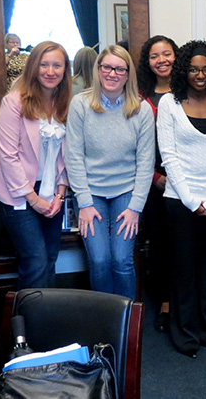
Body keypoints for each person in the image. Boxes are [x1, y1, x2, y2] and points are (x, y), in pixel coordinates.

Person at [157, 40, 206, 358]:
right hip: (180, 200)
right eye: (193, 69)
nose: (200, 75)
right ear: (183, 71)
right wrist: (192, 201)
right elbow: (168, 156)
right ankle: (185, 334)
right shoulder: (169, 104)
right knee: (184, 269)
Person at [65, 45, 155, 300]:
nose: (112, 73)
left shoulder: (141, 109)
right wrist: (83, 202)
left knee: (122, 260)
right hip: (91, 194)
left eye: (119, 69)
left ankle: (126, 325)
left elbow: (145, 162)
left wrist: (135, 207)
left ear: (128, 74)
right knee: (101, 260)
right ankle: (104, 323)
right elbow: (73, 156)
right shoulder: (80, 104)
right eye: (107, 67)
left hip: (126, 193)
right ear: (98, 69)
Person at [0, 41, 71, 289]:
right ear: (33, 67)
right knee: (35, 260)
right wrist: (34, 199)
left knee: (50, 258)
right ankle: (27, 326)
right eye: (44, 64)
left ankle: (46, 317)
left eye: (57, 65)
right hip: (17, 193)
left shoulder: (65, 104)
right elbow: (8, 156)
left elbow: (67, 154)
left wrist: (60, 194)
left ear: (65, 70)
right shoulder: (14, 102)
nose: (50, 71)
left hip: (52, 190)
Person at [136, 34, 178, 332]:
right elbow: (133, 145)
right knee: (161, 244)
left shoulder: (189, 91)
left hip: (187, 179)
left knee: (187, 244)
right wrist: (155, 178)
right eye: (155, 55)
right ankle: (164, 303)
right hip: (152, 180)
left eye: (167, 53)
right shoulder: (139, 96)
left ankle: (186, 301)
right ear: (147, 62)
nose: (161, 60)